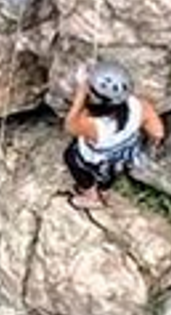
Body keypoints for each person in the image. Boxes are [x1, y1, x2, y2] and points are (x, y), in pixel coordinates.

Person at [63, 61, 164, 209]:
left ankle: (92, 197)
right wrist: (149, 144)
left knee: (72, 159)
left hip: (96, 158)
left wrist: (81, 90)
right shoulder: (140, 107)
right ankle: (104, 192)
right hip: (121, 155)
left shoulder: (93, 125)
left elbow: (69, 124)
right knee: (109, 175)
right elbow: (158, 132)